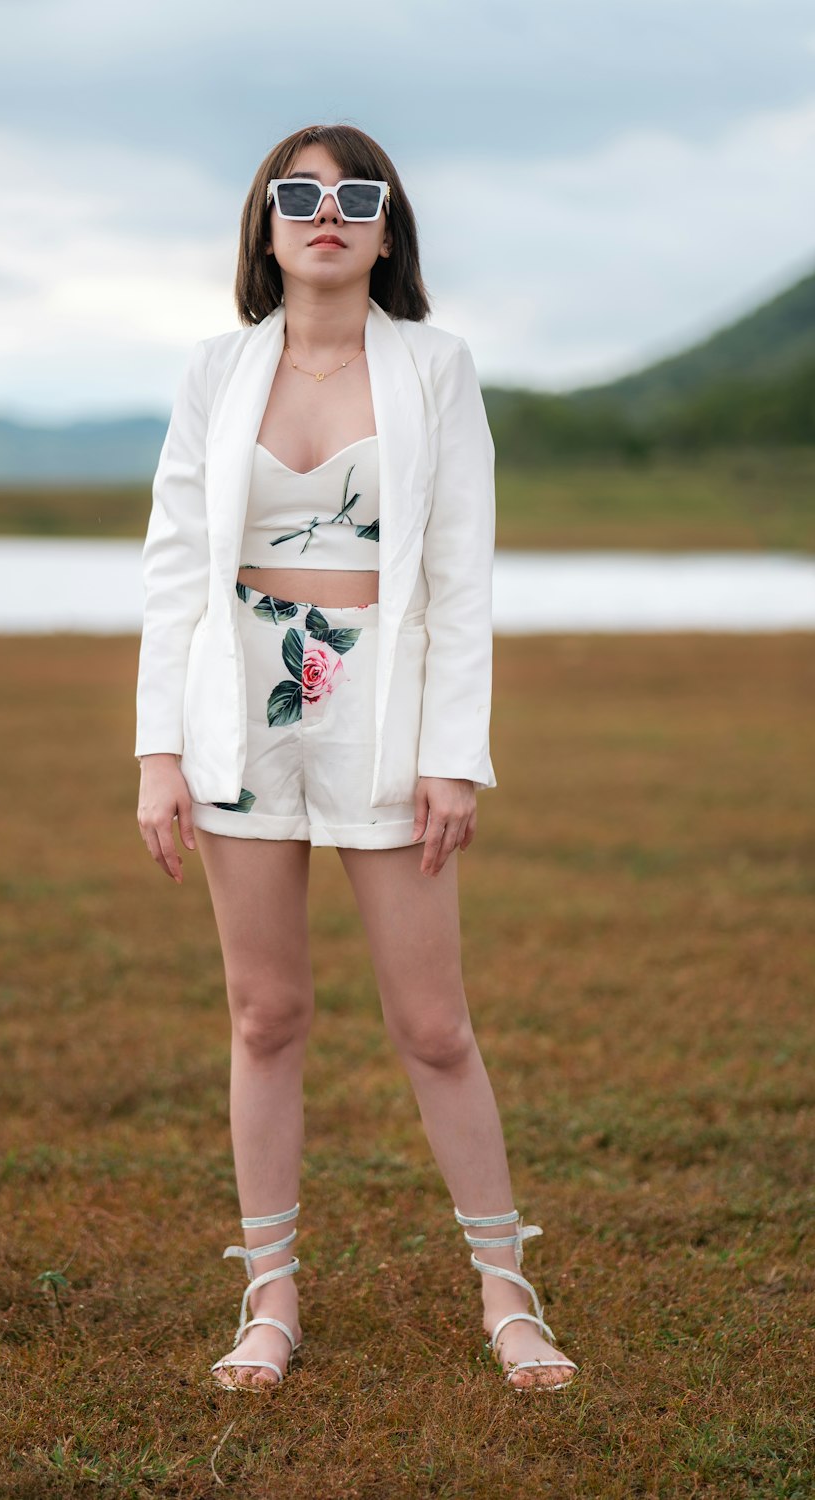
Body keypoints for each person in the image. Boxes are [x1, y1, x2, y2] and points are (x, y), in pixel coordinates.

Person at [135, 124, 578, 1393]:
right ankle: (268, 1301)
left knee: (432, 1023)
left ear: (388, 233)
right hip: (239, 714)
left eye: (357, 197)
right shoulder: (217, 368)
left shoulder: (435, 368)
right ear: (264, 227)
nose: (327, 213)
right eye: (300, 195)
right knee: (264, 1014)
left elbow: (460, 578)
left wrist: (455, 755)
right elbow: (174, 569)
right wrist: (157, 749)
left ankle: (507, 1293)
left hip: (381, 708)